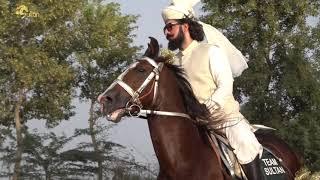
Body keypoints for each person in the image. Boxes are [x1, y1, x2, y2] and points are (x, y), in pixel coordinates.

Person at [161, 0, 264, 179]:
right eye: (165, 28)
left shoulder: (211, 51)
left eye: (170, 27)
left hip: (225, 121)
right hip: (195, 124)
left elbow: (225, 85)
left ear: (185, 26)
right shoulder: (173, 62)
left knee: (246, 144)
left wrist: (207, 107)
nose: (167, 32)